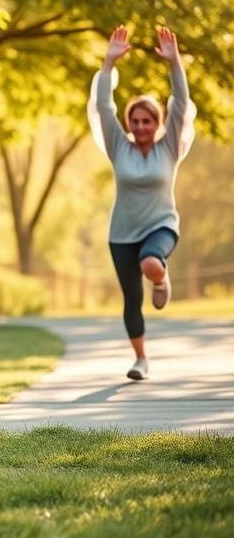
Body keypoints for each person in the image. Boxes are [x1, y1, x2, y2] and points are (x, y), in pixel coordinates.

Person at [88, 25, 196, 380]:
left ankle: (161, 279)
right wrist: (109, 63)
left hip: (161, 225)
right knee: (132, 299)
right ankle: (140, 360)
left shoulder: (170, 148)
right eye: (134, 120)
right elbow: (104, 107)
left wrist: (174, 63)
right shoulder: (119, 146)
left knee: (151, 262)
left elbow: (180, 102)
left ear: (158, 123)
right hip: (121, 233)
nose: (139, 125)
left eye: (147, 120)